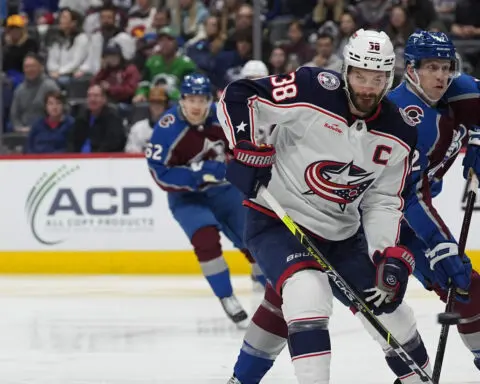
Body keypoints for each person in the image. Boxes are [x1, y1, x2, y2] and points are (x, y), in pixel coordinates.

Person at [223, 30, 480, 384]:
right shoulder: (312, 87)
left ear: (389, 77)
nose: (367, 88)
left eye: (377, 79)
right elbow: (240, 95)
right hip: (279, 220)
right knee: (306, 293)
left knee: (396, 318)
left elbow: (384, 199)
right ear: (346, 70)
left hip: (342, 234)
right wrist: (244, 145)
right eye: (360, 75)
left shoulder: (398, 130)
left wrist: (384, 251)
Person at [390, 30, 480, 375]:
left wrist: (476, 138)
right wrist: (440, 242)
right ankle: (412, 373)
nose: (441, 76)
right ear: (411, 69)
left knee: (468, 288)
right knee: (384, 302)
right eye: (432, 67)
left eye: (446, 66)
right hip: (377, 221)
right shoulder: (403, 117)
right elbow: (406, 193)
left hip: (413, 212)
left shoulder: (457, 90)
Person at [146, 73, 265, 328]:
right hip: (187, 198)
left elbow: (243, 147)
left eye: (202, 99)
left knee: (253, 238)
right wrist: (195, 174)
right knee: (206, 239)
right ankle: (226, 296)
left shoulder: (224, 116)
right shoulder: (167, 129)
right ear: (182, 100)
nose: (197, 106)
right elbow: (159, 172)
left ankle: (270, 285)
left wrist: (237, 167)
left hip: (225, 191)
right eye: (191, 99)